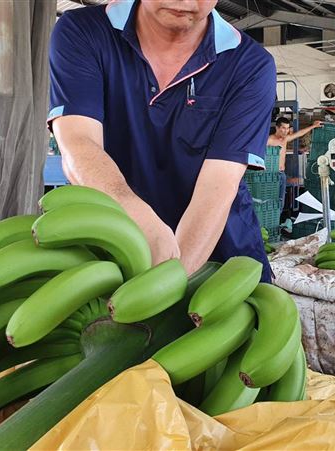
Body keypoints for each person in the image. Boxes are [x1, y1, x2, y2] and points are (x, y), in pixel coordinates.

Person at [47, 0, 276, 282]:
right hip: (107, 251)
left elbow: (218, 188)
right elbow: (79, 143)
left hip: (221, 261)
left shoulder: (249, 65)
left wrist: (166, 284)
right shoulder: (84, 32)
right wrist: (134, 212)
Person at [267, 117, 322, 210]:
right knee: (271, 199)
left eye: (288, 128)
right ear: (277, 128)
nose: (286, 131)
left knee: (281, 202)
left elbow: (299, 133)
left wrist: (313, 126)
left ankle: (278, 220)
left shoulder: (284, 139)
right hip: (270, 175)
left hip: (281, 174)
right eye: (283, 128)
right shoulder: (269, 140)